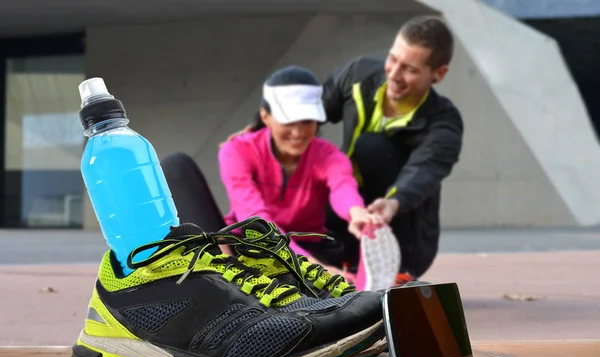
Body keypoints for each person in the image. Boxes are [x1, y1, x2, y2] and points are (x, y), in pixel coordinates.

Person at [161, 65, 381, 274]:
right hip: (248, 245)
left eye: (307, 121)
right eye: (289, 120)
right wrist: (314, 269)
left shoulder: (328, 155)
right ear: (265, 116)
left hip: (311, 248)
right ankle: (225, 274)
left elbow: (343, 186)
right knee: (176, 165)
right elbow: (256, 221)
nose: (298, 132)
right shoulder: (236, 150)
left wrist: (357, 213)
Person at [320, 15, 464, 284]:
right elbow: (310, 111)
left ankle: (392, 269)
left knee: (370, 146)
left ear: (439, 74)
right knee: (319, 163)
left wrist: (392, 203)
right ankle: (337, 262)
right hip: (345, 209)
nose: (394, 74)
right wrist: (260, 128)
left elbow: (425, 170)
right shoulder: (359, 76)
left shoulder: (444, 121)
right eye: (393, 59)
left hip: (405, 233)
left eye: (409, 69)